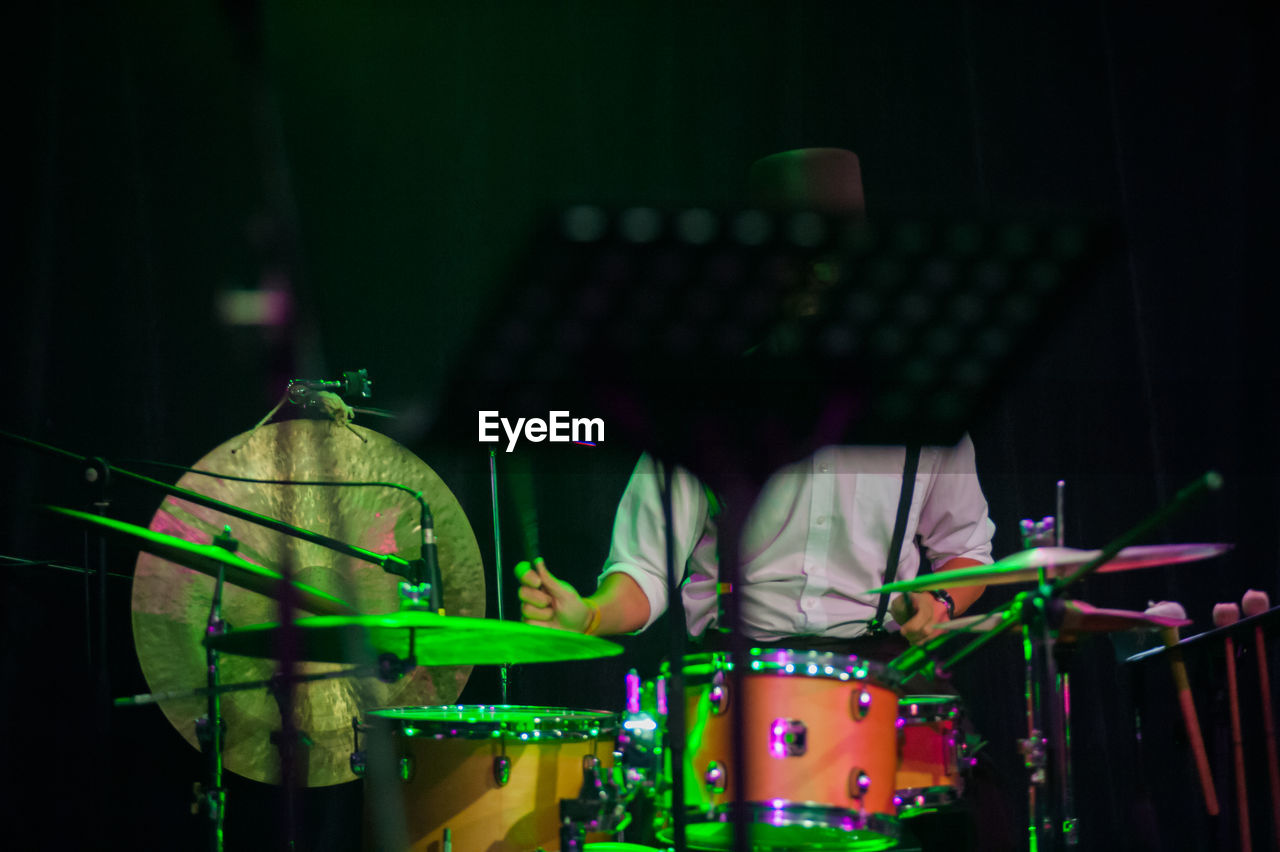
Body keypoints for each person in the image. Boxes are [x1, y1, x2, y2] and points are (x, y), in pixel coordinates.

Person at [516, 148, 994, 648]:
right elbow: (645, 568)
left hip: (879, 675)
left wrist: (938, 601)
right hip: (738, 674)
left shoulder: (923, 402)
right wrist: (587, 615)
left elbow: (966, 547)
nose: (812, 270)